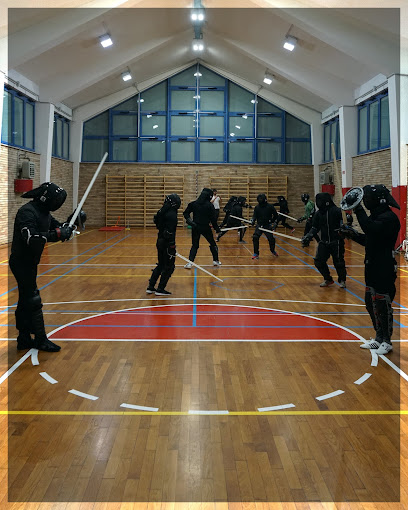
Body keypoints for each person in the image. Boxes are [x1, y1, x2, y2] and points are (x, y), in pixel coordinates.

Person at [9, 182, 75, 352]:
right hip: (21, 262)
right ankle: (40, 339)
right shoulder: (27, 212)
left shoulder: (44, 213)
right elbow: (31, 238)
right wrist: (57, 234)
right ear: (45, 198)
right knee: (33, 299)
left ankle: (24, 338)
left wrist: (68, 226)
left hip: (31, 262)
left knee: (25, 300)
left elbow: (56, 226)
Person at [339, 185, 400, 355]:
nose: (365, 201)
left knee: (382, 303)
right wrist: (352, 235)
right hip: (371, 264)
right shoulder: (376, 216)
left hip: (384, 266)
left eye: (367, 199)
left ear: (379, 199)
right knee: (370, 302)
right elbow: (369, 239)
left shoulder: (389, 218)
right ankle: (379, 337)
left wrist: (357, 208)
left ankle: (387, 341)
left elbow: (370, 228)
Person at [302, 192, 347, 288]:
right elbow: (315, 227)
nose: (318, 203)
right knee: (318, 261)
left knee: (338, 262)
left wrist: (345, 225)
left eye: (320, 201)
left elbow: (344, 223)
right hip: (324, 241)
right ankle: (328, 279)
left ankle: (342, 280)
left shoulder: (337, 211)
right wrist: (308, 236)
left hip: (336, 241)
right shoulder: (318, 214)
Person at [146, 193, 181, 296]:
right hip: (167, 243)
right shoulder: (171, 214)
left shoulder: (162, 211)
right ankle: (160, 289)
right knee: (169, 266)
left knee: (161, 264)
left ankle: (151, 287)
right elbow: (169, 232)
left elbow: (158, 223)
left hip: (160, 241)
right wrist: (172, 245)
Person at [183, 188, 221, 268]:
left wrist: (190, 221)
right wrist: (217, 229)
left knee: (195, 245)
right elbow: (213, 220)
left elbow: (186, 213)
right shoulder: (210, 206)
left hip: (195, 227)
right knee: (213, 244)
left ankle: (190, 263)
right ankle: (216, 261)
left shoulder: (194, 204)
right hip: (205, 227)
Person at [251, 194, 279, 259]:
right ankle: (256, 253)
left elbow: (276, 215)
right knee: (255, 237)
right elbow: (254, 216)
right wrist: (252, 220)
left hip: (267, 225)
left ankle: (272, 250)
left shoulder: (270, 206)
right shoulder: (257, 207)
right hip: (259, 225)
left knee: (271, 239)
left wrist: (272, 221)